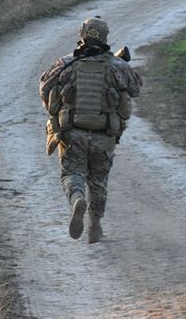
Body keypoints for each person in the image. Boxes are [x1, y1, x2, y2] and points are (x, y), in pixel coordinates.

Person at [39, 16, 142, 244]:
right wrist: (122, 63)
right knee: (98, 181)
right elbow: (135, 88)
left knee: (72, 174)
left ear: (82, 35)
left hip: (72, 132)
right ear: (105, 36)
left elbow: (45, 88)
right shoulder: (118, 66)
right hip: (104, 135)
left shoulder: (65, 63)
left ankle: (77, 198)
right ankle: (95, 226)